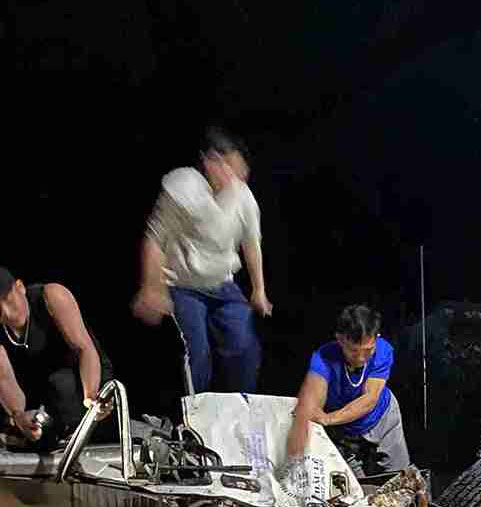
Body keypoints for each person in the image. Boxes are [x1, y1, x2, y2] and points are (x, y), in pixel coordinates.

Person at [132, 127, 273, 394]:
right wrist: (152, 287)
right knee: (196, 350)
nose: (235, 178)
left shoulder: (243, 196)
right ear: (211, 162)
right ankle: (194, 408)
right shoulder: (183, 186)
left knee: (244, 345)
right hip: (183, 285)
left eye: (240, 171)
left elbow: (251, 243)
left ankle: (239, 405)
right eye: (230, 168)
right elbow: (155, 239)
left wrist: (259, 290)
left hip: (222, 284)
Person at [286, 304, 409, 473]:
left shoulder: (383, 350)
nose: (361, 358)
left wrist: (328, 419)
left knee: (398, 476)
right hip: (343, 430)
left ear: (376, 338)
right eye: (353, 351)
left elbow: (370, 399)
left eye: (368, 350)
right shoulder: (323, 358)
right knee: (351, 481)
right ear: (340, 339)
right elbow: (313, 400)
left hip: (382, 418)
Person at [0, 268, 114, 450]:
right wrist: (19, 416)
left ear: (20, 287)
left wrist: (91, 396)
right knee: (19, 422)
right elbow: (4, 379)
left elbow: (84, 349)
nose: (7, 313)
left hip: (85, 378)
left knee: (61, 383)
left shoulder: (51, 295)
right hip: (43, 389)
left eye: (8, 299)